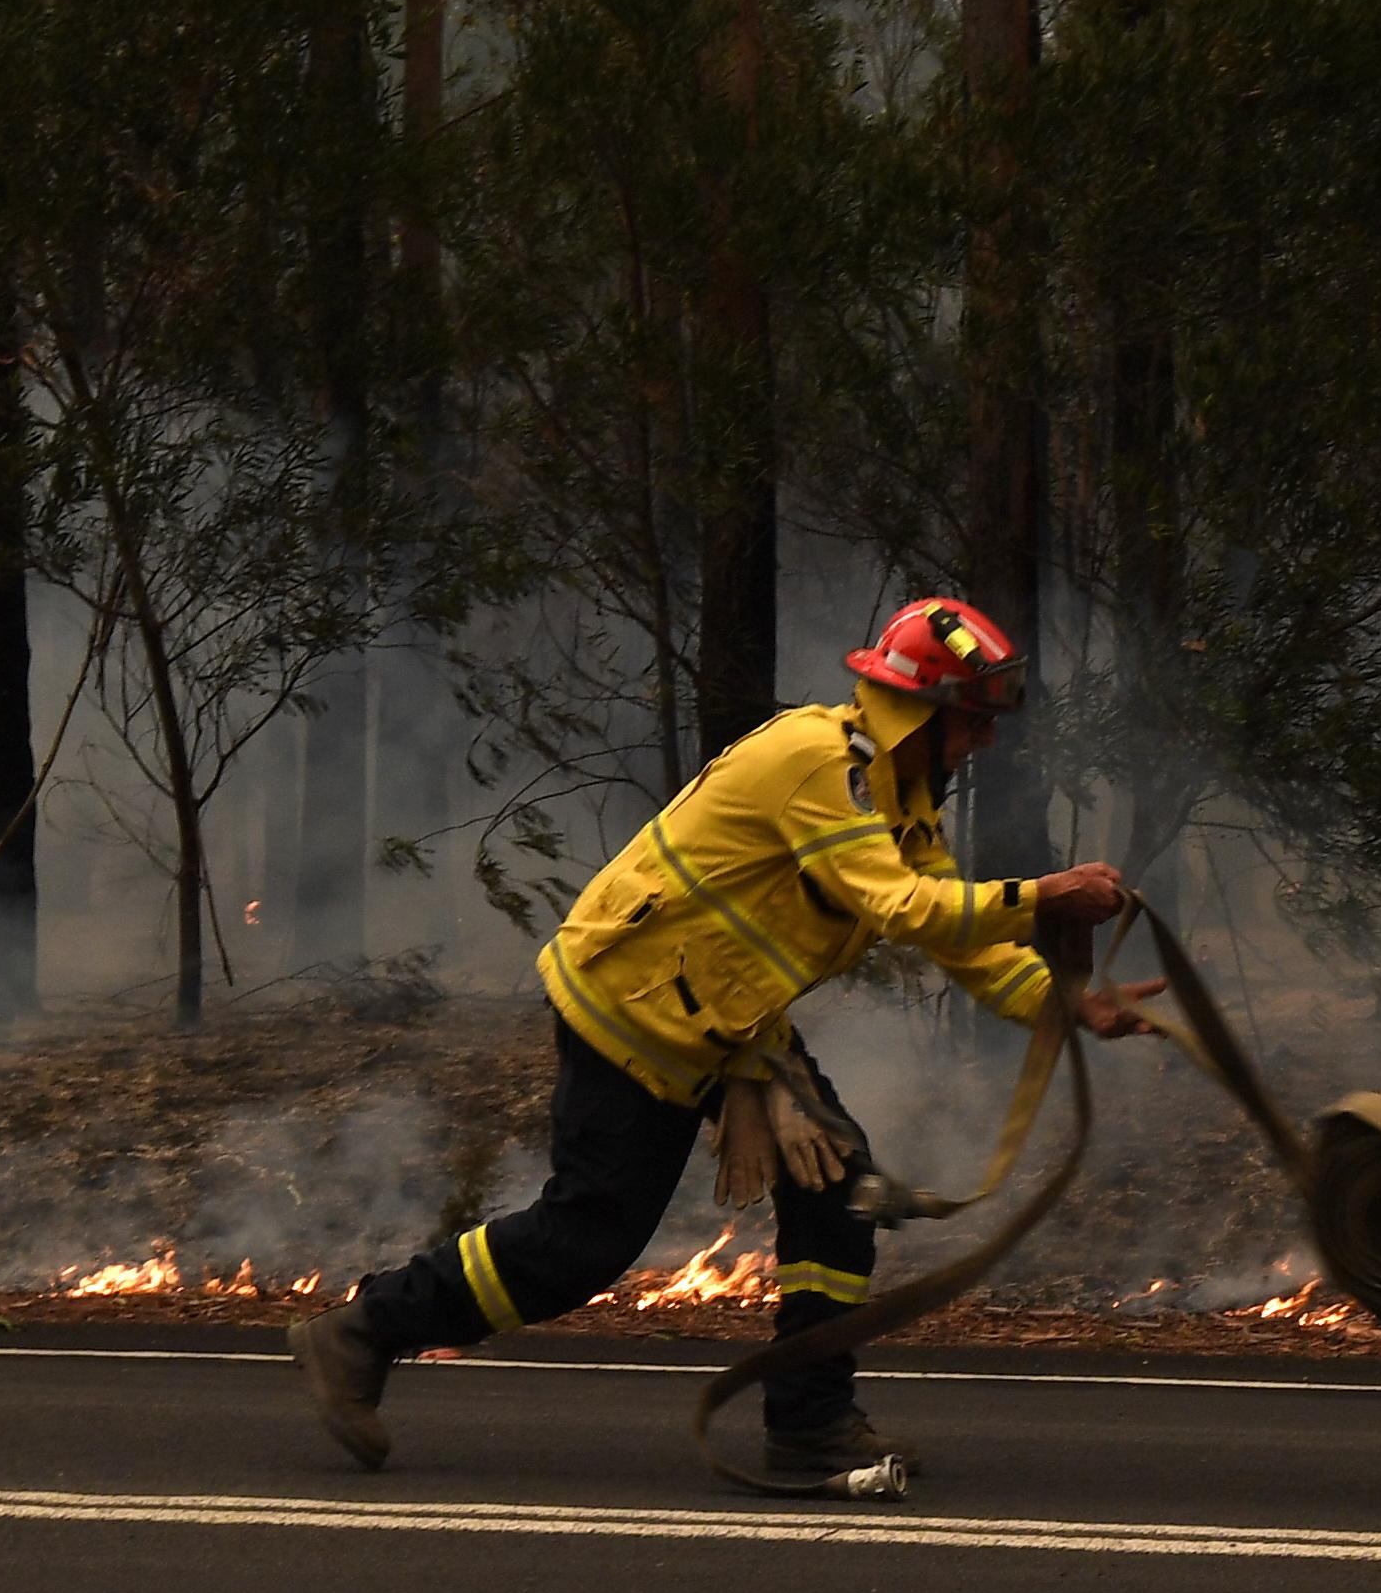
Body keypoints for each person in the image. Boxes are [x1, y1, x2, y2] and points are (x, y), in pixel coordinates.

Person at [291, 595, 1162, 1487]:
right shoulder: (819, 764)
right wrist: (1044, 895)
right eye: (973, 723)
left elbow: (950, 932)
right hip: (633, 1007)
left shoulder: (899, 796)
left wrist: (1066, 1005)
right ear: (925, 710)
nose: (981, 744)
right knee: (587, 1239)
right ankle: (363, 1331)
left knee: (841, 1189)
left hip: (727, 1024)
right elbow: (901, 907)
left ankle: (811, 1422)